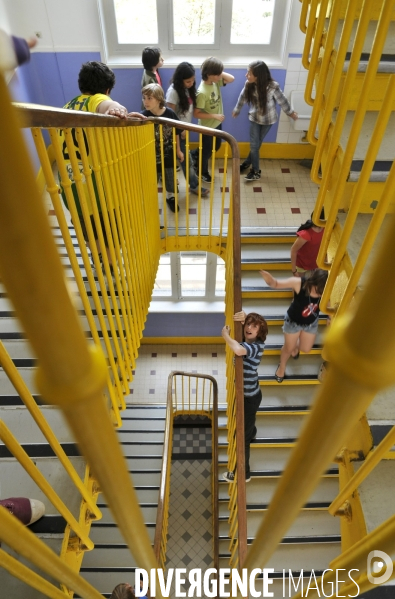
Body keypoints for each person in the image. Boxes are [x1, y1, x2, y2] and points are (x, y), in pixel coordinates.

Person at [59, 61, 145, 272]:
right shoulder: (98, 99)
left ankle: (99, 259)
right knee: (111, 235)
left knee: (90, 230)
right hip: (99, 191)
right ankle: (110, 266)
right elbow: (108, 106)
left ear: (81, 86)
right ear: (107, 89)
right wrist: (118, 109)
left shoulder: (66, 107)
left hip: (71, 187)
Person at [232, 60, 298, 182]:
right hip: (254, 118)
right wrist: (237, 109)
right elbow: (242, 97)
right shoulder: (249, 84)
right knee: (255, 145)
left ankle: (248, 164)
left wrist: (291, 113)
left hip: (268, 120)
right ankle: (255, 170)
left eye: (249, 73)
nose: (246, 75)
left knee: (256, 145)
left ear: (258, 75)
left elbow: (282, 101)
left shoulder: (273, 86)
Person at [221, 311, 268, 483]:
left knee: (242, 439)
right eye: (248, 324)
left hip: (249, 398)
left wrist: (225, 335)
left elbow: (239, 350)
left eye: (254, 327)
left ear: (259, 333)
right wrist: (245, 316)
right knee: (249, 424)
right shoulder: (248, 339)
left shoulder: (255, 346)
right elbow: (242, 339)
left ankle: (243, 473)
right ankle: (252, 431)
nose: (249, 328)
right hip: (252, 393)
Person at [259, 269, 328, 382]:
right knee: (288, 348)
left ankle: (295, 345)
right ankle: (282, 367)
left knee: (305, 348)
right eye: (317, 291)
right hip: (293, 322)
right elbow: (276, 283)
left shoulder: (325, 291)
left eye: (321, 293)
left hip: (311, 323)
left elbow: (330, 305)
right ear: (312, 282)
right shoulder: (299, 283)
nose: (318, 294)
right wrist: (270, 280)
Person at [165, 62, 209, 198]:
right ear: (180, 79)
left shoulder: (187, 88)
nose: (191, 83)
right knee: (185, 160)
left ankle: (191, 185)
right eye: (188, 81)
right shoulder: (173, 92)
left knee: (184, 158)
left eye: (193, 80)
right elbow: (169, 117)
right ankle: (194, 186)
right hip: (176, 133)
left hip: (184, 130)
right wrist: (180, 131)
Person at [142, 83, 183, 213]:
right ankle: (151, 200)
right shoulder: (144, 116)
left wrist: (178, 150)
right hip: (151, 155)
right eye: (144, 98)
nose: (146, 101)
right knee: (153, 178)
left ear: (159, 99)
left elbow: (176, 132)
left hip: (168, 154)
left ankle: (170, 197)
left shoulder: (169, 114)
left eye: (149, 98)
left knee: (169, 178)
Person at [192, 57, 234, 183]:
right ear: (209, 75)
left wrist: (218, 71)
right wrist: (214, 116)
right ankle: (202, 171)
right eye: (217, 74)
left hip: (217, 123)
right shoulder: (201, 92)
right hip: (207, 127)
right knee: (206, 152)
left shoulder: (216, 82)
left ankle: (194, 155)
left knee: (215, 147)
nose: (220, 76)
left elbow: (232, 79)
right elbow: (196, 114)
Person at [291, 211, 325, 277]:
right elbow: (293, 250)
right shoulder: (306, 234)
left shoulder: (326, 229)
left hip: (316, 262)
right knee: (298, 285)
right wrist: (294, 270)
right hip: (302, 263)